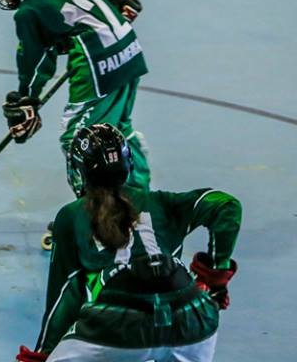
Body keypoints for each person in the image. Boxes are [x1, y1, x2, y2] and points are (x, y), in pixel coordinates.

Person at [15, 123, 241, 362]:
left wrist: (42, 354)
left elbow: (64, 296)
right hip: (192, 320)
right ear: (127, 165)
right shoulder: (162, 203)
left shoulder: (72, 216)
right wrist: (214, 276)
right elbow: (226, 206)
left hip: (118, 325)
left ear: (79, 171)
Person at [0, 0, 150, 204]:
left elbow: (34, 61)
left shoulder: (27, 12)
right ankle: (140, 198)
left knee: (81, 142)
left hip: (98, 62)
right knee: (119, 129)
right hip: (128, 48)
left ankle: (100, 217)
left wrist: (28, 98)